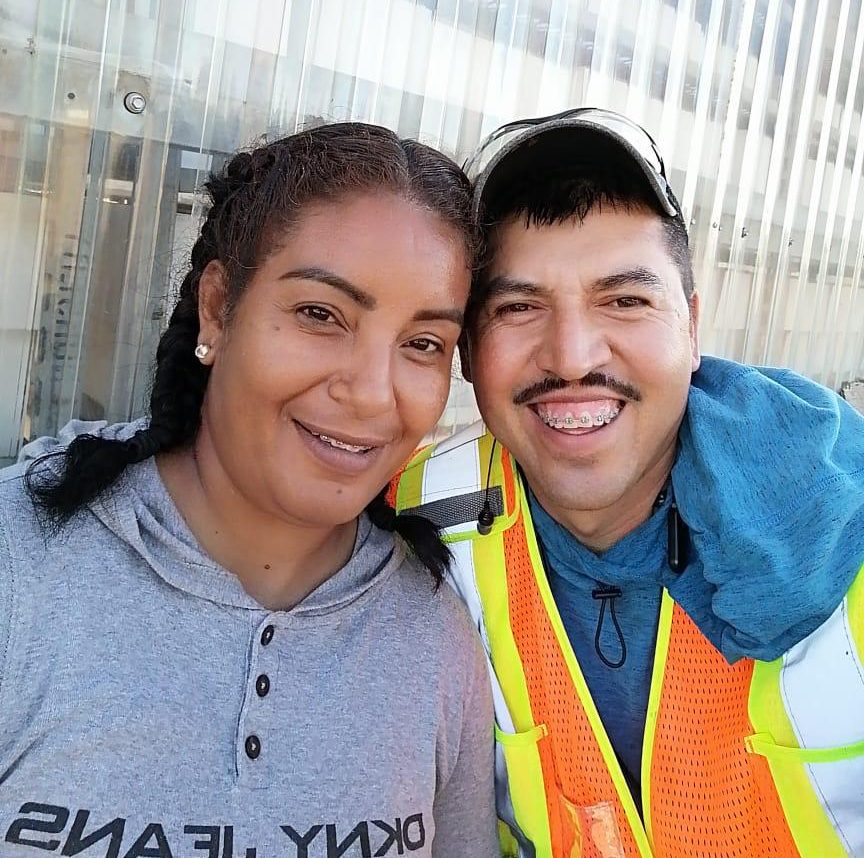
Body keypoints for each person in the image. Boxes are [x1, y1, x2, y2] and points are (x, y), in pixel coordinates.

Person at [0, 123, 500, 858]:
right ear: (217, 308)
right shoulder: (21, 566)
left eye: (422, 343)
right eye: (320, 315)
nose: (370, 393)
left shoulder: (433, 638)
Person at [392, 108, 864, 857]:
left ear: (692, 325)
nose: (573, 355)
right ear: (468, 350)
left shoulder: (848, 522)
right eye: (518, 307)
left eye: (624, 299)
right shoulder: (407, 523)